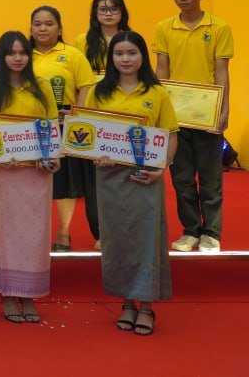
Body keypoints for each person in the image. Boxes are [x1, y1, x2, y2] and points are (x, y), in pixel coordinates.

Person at [87, 32, 177, 336]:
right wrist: (96, 156)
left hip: (145, 176)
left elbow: (170, 135)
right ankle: (126, 303)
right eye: (119, 54)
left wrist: (161, 168)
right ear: (111, 57)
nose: (125, 59)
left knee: (148, 238)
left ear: (143, 56)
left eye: (132, 53)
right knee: (118, 238)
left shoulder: (157, 93)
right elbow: (87, 134)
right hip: (109, 178)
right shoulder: (98, 92)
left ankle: (147, 307)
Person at [0, 32, 59, 325]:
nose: (18, 58)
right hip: (5, 174)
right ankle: (7, 293)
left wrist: (53, 159)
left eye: (23, 52)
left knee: (35, 234)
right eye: (12, 53)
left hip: (37, 174)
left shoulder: (42, 87)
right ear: (2, 56)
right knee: (5, 231)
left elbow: (52, 126)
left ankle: (30, 294)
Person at [154, 0, 233, 253]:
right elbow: (161, 71)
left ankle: (211, 233)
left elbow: (221, 72)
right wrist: (160, 111)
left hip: (207, 115)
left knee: (211, 179)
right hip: (176, 116)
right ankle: (190, 231)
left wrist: (224, 110)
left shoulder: (219, 27)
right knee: (182, 179)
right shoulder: (164, 27)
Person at [30, 5, 98, 251]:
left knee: (64, 184)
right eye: (37, 24)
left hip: (63, 124)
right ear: (31, 28)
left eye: (49, 24)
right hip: (31, 127)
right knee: (33, 181)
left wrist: (76, 115)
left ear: (59, 29)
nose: (43, 28)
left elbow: (87, 86)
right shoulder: (23, 54)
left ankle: (63, 233)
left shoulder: (72, 54)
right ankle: (35, 233)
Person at [76, 0, 132, 72]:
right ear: (95, 12)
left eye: (114, 9)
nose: (108, 14)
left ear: (122, 12)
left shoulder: (132, 39)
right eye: (103, 9)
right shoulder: (82, 40)